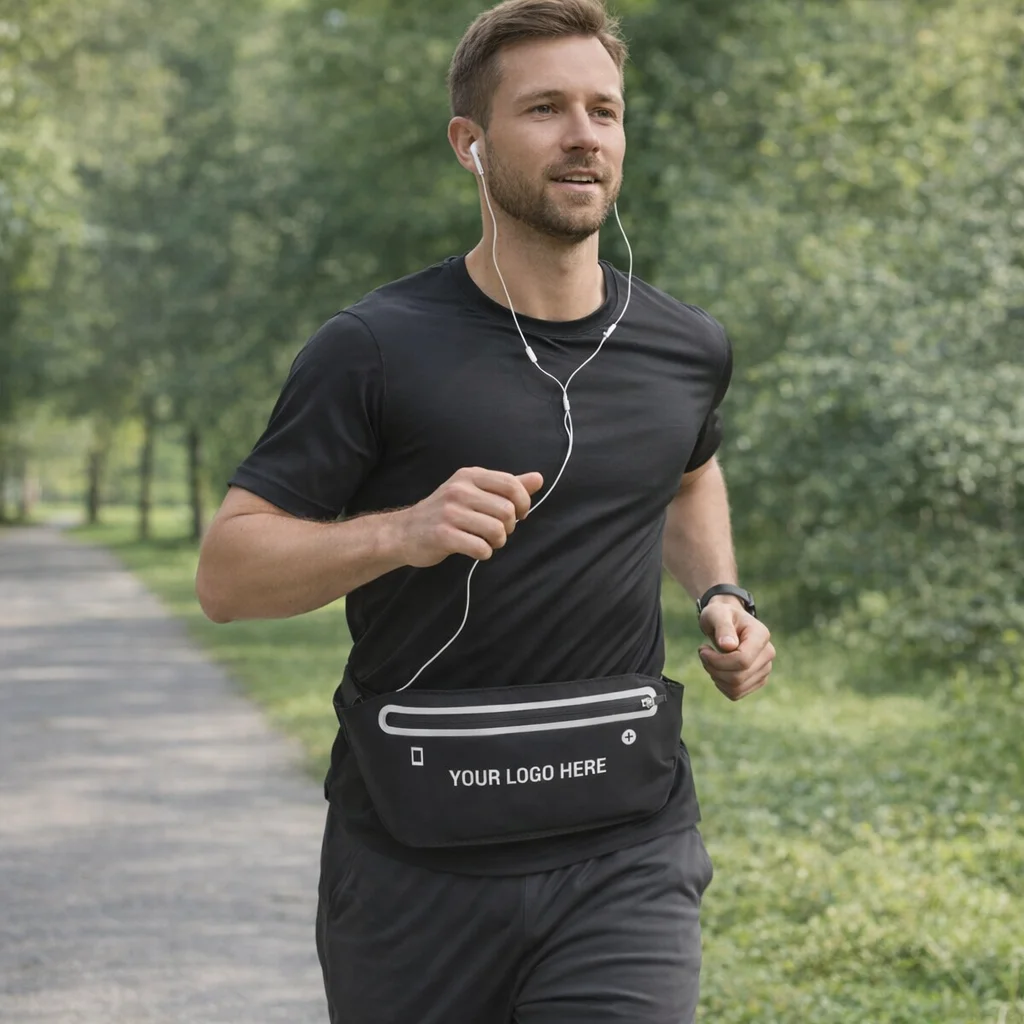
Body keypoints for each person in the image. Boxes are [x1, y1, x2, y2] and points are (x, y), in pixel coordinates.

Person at [196, 0, 775, 1020]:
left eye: (604, 109)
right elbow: (228, 575)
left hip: (626, 845)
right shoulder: (374, 347)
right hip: (414, 861)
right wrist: (400, 531)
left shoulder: (685, 348)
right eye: (545, 108)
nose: (583, 134)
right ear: (471, 143)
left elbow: (687, 469)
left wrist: (718, 590)